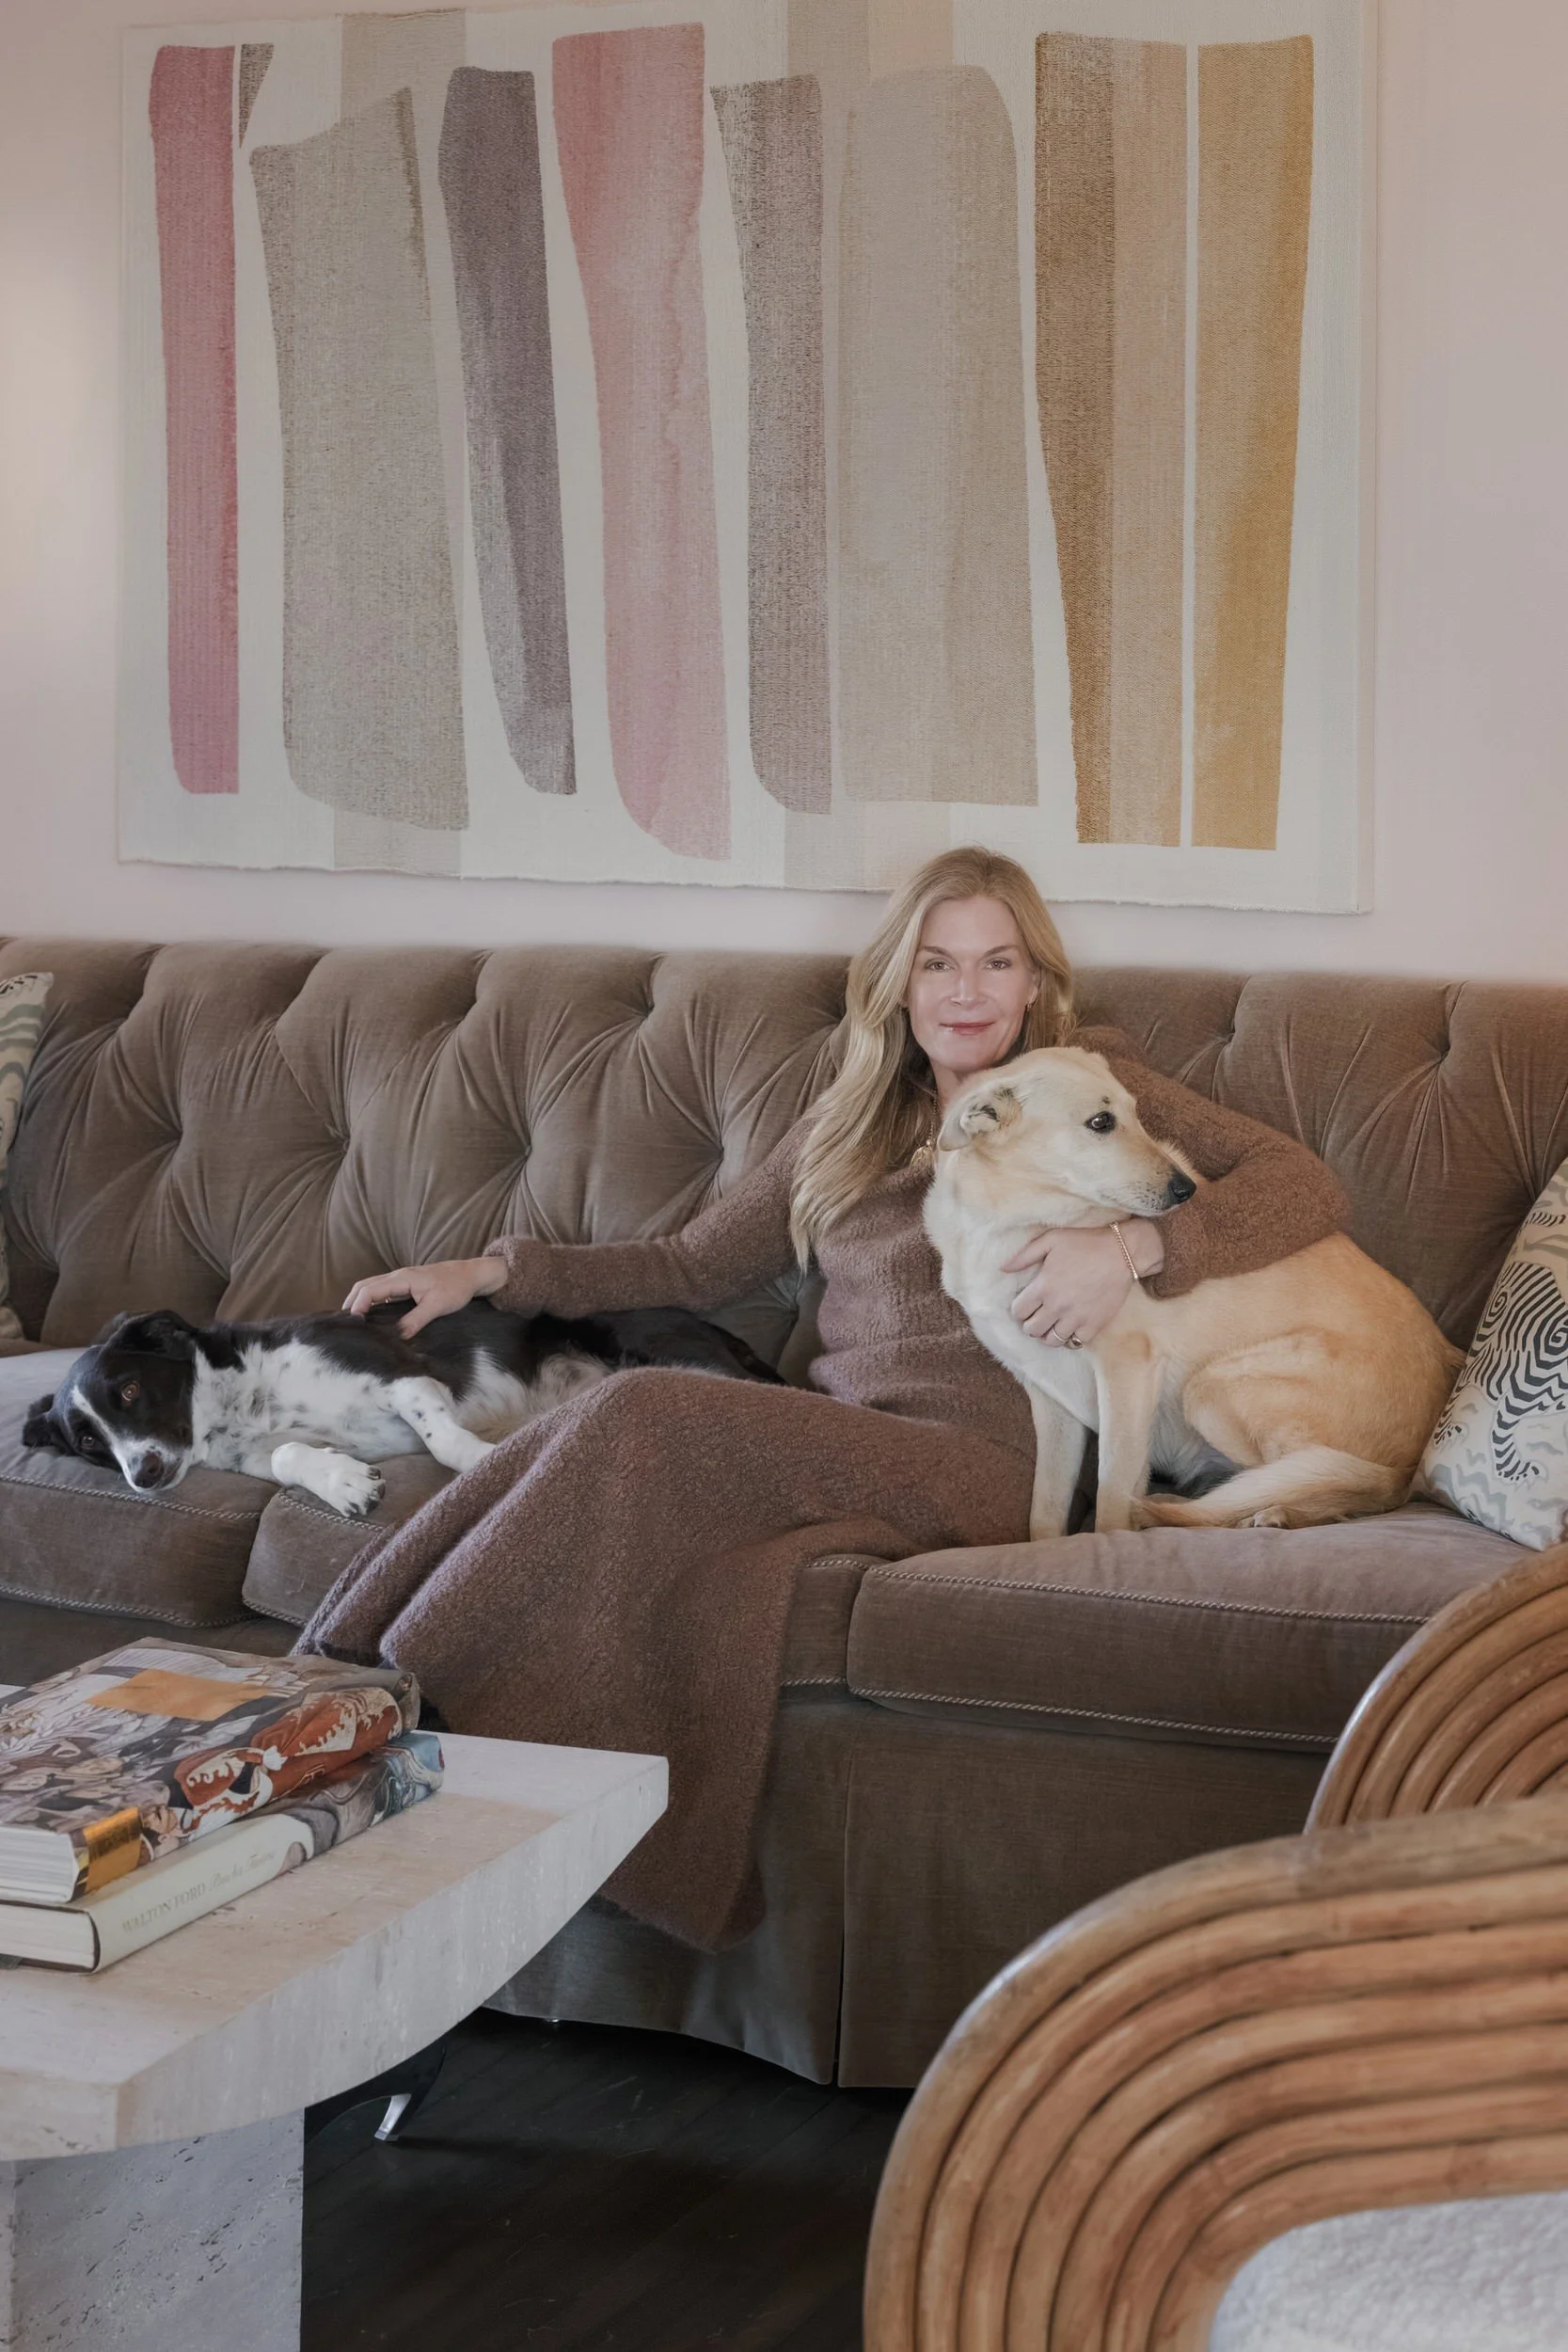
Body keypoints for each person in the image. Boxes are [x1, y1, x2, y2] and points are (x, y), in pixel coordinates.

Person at [309, 848, 1347, 1949]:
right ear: (897, 981)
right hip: (849, 1435)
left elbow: (1304, 1184)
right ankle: (382, 1710)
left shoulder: (1087, 1086)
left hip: (988, 1461)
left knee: (642, 1411)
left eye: (996, 962)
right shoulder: (849, 1126)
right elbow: (689, 1263)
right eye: (937, 962)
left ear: (1034, 983)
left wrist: (1135, 1246)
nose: (965, 991)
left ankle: (379, 1699)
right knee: (613, 1438)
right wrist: (488, 1273)